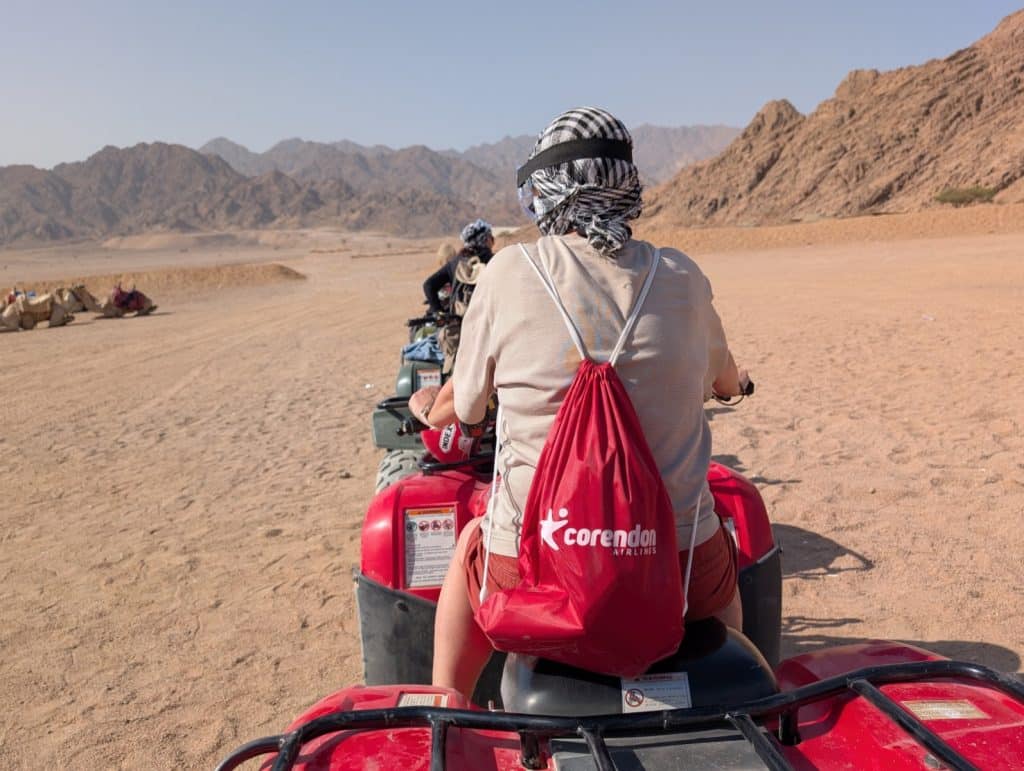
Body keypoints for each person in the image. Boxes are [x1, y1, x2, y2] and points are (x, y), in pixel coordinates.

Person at [413, 107, 750, 700]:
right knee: (713, 554)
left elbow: (466, 411)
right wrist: (734, 384)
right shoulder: (682, 276)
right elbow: (722, 379)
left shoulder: (508, 272)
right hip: (677, 568)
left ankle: (452, 705)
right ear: (628, 185)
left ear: (544, 192)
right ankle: (743, 699)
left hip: (534, 566)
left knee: (472, 544)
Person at [421, 219, 495, 373]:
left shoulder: (456, 262)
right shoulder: (494, 260)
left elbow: (429, 285)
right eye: (490, 238)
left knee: (460, 375)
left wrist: (439, 313)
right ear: (485, 239)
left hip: (459, 331)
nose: (492, 241)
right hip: (488, 331)